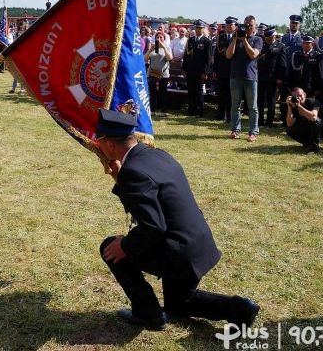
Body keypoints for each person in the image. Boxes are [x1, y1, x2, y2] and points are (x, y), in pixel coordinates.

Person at [95, 108, 260, 331]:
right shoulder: (157, 154)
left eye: (100, 141)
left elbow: (152, 227)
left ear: (110, 145)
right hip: (196, 244)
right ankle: (239, 308)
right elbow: (151, 203)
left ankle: (148, 314)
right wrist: (119, 177)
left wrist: (124, 245)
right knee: (178, 305)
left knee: (110, 248)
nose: (99, 146)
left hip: (179, 252)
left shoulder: (133, 171)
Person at [226, 15, 262, 142]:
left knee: (252, 107)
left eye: (250, 25)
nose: (248, 28)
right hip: (235, 76)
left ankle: (253, 132)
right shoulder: (235, 39)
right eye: (246, 25)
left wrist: (245, 40)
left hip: (251, 77)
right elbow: (228, 55)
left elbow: (253, 55)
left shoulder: (257, 39)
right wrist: (236, 39)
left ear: (254, 27)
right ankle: (235, 130)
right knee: (235, 106)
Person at [285, 87, 323, 154]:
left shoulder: (313, 102)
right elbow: (289, 124)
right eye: (295, 97)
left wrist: (300, 107)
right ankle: (308, 143)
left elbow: (314, 117)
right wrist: (289, 106)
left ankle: (314, 148)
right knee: (289, 129)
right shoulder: (294, 104)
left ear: (304, 95)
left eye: (300, 96)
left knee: (314, 120)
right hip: (309, 126)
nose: (298, 98)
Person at [257, 26, 287, 127]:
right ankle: (260, 121)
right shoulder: (262, 45)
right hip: (260, 77)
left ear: (274, 35)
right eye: (267, 37)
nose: (269, 38)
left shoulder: (280, 46)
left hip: (272, 78)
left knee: (271, 101)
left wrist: (280, 78)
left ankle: (269, 122)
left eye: (270, 36)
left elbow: (282, 64)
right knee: (259, 100)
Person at [182, 20, 211, 117]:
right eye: (197, 28)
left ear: (203, 29)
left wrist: (205, 72)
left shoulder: (207, 41)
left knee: (199, 91)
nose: (198, 29)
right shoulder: (190, 40)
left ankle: (200, 111)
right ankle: (191, 110)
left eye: (200, 28)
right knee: (191, 90)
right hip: (190, 69)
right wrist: (184, 68)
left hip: (199, 71)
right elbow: (186, 55)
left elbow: (208, 58)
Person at [213, 16, 237, 122]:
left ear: (235, 26)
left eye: (230, 25)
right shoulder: (221, 37)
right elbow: (217, 55)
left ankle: (229, 116)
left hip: (233, 70)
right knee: (221, 93)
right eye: (226, 25)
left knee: (231, 95)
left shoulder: (237, 37)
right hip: (221, 70)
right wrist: (214, 70)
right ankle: (220, 114)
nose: (228, 27)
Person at [286, 35, 323, 99]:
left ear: (312, 44)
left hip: (310, 87)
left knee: (308, 106)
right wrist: (289, 85)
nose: (305, 45)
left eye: (308, 43)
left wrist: (318, 88)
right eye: (304, 43)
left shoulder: (317, 56)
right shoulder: (296, 55)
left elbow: (320, 74)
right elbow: (291, 71)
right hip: (296, 86)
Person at [145, 31, 172, 116]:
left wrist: (164, 47)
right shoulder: (153, 47)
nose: (159, 39)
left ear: (164, 39)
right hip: (152, 73)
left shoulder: (167, 47)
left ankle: (163, 111)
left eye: (161, 37)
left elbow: (170, 58)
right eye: (158, 37)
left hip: (163, 74)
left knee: (163, 92)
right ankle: (152, 110)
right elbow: (145, 59)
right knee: (152, 92)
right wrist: (149, 50)